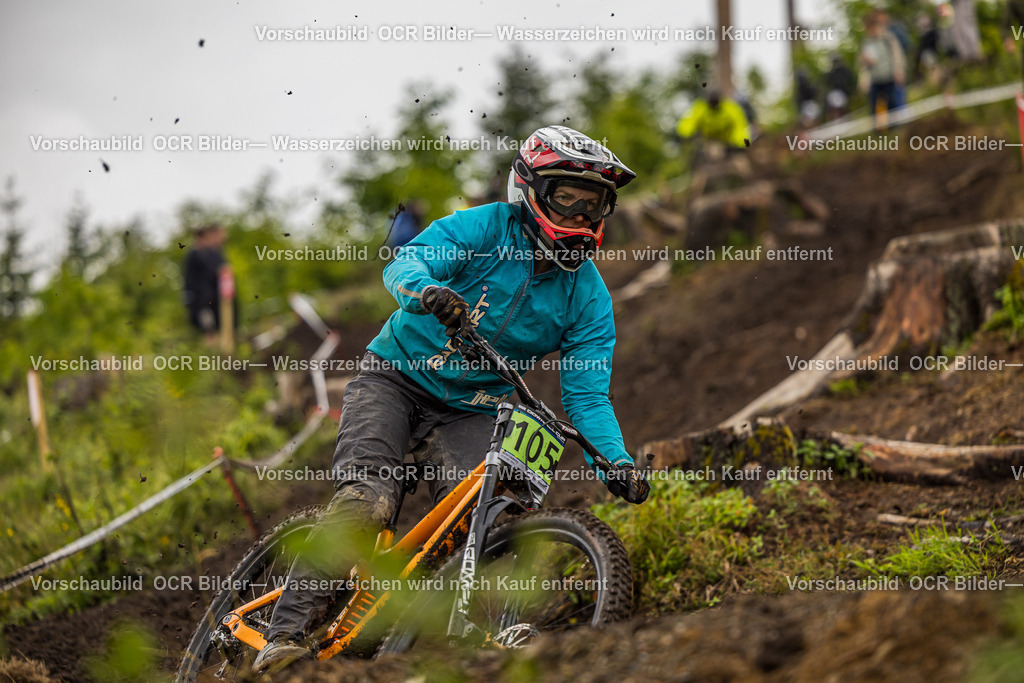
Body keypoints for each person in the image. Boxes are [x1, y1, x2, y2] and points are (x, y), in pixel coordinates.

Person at [253, 125, 651, 672]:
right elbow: (405, 263)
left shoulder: (588, 297)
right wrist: (427, 292)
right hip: (394, 378)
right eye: (568, 200)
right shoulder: (482, 228)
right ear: (530, 191)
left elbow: (586, 396)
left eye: (594, 205)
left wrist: (617, 461)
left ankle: (464, 624)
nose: (581, 217)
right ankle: (284, 636)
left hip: (472, 407)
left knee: (485, 515)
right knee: (369, 499)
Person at [182, 223, 232, 343]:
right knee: (207, 329)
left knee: (214, 327)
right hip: (201, 301)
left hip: (212, 300)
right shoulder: (196, 255)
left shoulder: (215, 253)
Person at [860, 8, 907, 131]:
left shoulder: (888, 38)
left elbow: (897, 55)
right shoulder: (866, 43)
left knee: (892, 102)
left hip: (889, 76)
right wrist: (864, 80)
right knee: (874, 106)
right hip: (875, 79)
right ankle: (877, 131)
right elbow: (863, 66)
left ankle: (895, 128)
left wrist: (899, 71)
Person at [675, 90, 751, 150]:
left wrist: (741, 143)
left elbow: (740, 127)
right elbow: (688, 122)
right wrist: (683, 134)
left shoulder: (731, 108)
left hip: (728, 143)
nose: (713, 104)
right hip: (707, 143)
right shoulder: (700, 108)